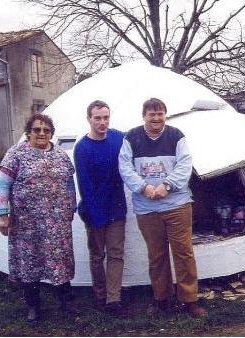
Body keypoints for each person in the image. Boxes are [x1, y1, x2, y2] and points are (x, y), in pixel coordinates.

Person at [118, 98, 207, 318]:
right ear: (144, 116)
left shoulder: (176, 136)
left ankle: (189, 300)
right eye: (151, 114)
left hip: (177, 205)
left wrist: (167, 185)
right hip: (147, 208)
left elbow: (185, 164)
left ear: (165, 115)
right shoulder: (132, 137)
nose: (156, 118)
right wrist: (143, 187)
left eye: (160, 114)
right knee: (156, 255)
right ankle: (161, 299)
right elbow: (125, 167)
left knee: (183, 253)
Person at [0, 113, 79, 322]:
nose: (41, 133)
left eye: (46, 130)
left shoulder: (60, 155)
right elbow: (2, 185)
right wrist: (3, 215)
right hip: (26, 223)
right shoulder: (16, 154)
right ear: (28, 132)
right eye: (36, 130)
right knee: (29, 263)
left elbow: (69, 183)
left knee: (60, 262)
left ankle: (65, 302)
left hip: (57, 222)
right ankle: (33, 306)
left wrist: (71, 208)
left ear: (51, 133)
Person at [73, 100, 129, 315]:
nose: (102, 122)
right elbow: (85, 187)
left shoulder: (117, 137)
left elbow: (137, 140)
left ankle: (113, 300)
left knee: (116, 254)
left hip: (116, 208)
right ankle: (100, 295)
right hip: (94, 209)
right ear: (89, 119)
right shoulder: (82, 148)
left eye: (106, 117)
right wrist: (96, 218)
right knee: (97, 255)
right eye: (97, 118)